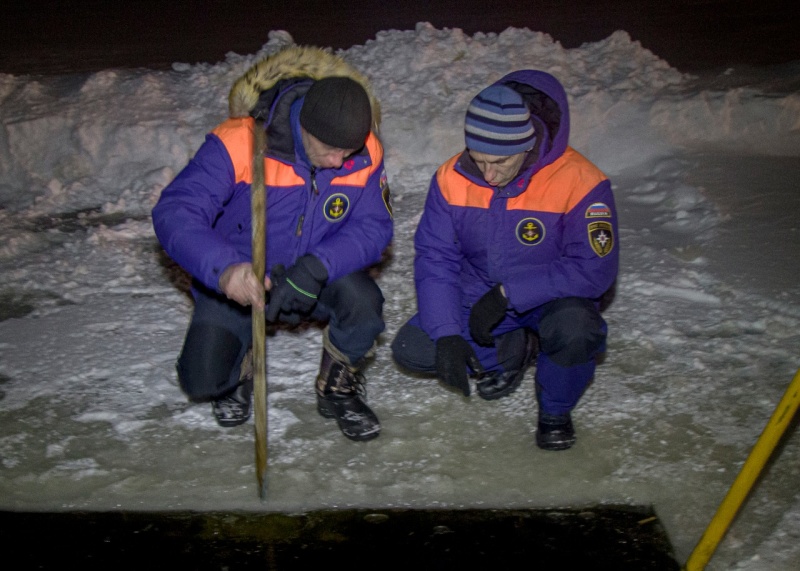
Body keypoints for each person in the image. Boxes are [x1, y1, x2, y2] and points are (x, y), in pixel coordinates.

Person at [152, 46, 393, 441]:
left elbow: (375, 226)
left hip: (315, 273)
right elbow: (175, 211)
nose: (338, 162)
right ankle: (239, 370)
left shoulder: (365, 153)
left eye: (348, 153)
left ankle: (336, 385)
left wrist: (318, 266)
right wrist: (225, 268)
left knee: (364, 303)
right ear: (303, 128)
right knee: (201, 379)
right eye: (329, 150)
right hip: (242, 275)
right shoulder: (240, 141)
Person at [391, 70, 618, 451]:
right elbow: (436, 257)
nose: (489, 174)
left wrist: (509, 295)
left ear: (527, 145)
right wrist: (447, 331)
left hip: (551, 299)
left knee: (576, 330)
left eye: (499, 162)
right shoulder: (451, 178)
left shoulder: (582, 182)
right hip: (477, 293)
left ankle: (555, 411)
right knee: (414, 349)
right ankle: (517, 347)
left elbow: (593, 269)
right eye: (478, 160)